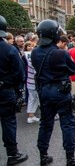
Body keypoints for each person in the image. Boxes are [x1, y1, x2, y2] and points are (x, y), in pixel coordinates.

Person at [31, 19, 75, 166]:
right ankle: (70, 158)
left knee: (45, 124)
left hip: (44, 90)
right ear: (54, 35)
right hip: (60, 90)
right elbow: (73, 70)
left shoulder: (34, 52)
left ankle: (43, 155)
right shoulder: (60, 53)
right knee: (67, 123)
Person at [0, 15, 29, 165]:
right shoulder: (9, 50)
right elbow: (20, 73)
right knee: (8, 122)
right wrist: (18, 91)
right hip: (5, 90)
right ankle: (12, 154)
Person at [24, 41, 40, 123]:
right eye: (29, 46)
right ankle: (31, 116)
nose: (31, 47)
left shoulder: (25, 56)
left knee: (32, 98)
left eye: (32, 46)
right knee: (36, 98)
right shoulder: (32, 57)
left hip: (29, 81)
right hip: (34, 81)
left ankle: (31, 115)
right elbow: (35, 70)